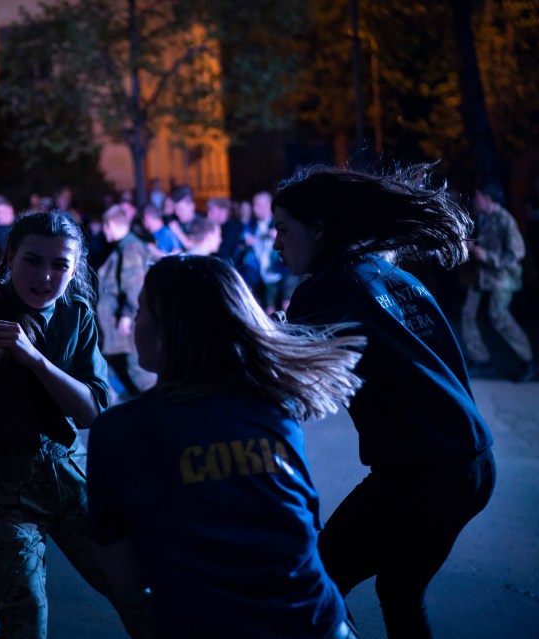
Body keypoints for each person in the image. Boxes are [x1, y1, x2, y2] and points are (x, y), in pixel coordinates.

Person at [271, 165, 496, 639]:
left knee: (316, 582)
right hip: (474, 466)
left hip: (422, 476)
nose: (276, 243)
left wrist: (268, 341)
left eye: (283, 230)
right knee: (400, 592)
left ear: (318, 229)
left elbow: (293, 393)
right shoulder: (389, 275)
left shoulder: (325, 290)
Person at [88, 255, 363, 639]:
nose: (134, 321)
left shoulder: (119, 431)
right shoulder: (275, 406)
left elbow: (128, 579)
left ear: (167, 330)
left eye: (140, 310)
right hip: (319, 622)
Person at [0, 210, 150, 639]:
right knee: (24, 616)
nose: (45, 276)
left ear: (75, 268)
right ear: (10, 258)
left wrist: (34, 360)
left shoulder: (75, 312)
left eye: (61, 264)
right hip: (2, 485)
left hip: (71, 474)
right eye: (32, 260)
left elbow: (92, 411)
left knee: (137, 590)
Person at [460, 184, 534, 381]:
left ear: (487, 198)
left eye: (478, 197)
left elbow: (517, 253)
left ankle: (528, 359)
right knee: (468, 313)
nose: (475, 201)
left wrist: (489, 257)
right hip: (482, 276)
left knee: (498, 316)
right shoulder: (483, 218)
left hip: (502, 278)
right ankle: (481, 359)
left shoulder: (505, 220)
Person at [97, 205, 156, 400]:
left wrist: (127, 315)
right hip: (117, 321)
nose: (103, 231)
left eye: (105, 226)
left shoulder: (130, 248)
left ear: (110, 224)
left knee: (138, 368)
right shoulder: (124, 247)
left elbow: (134, 285)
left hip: (126, 322)